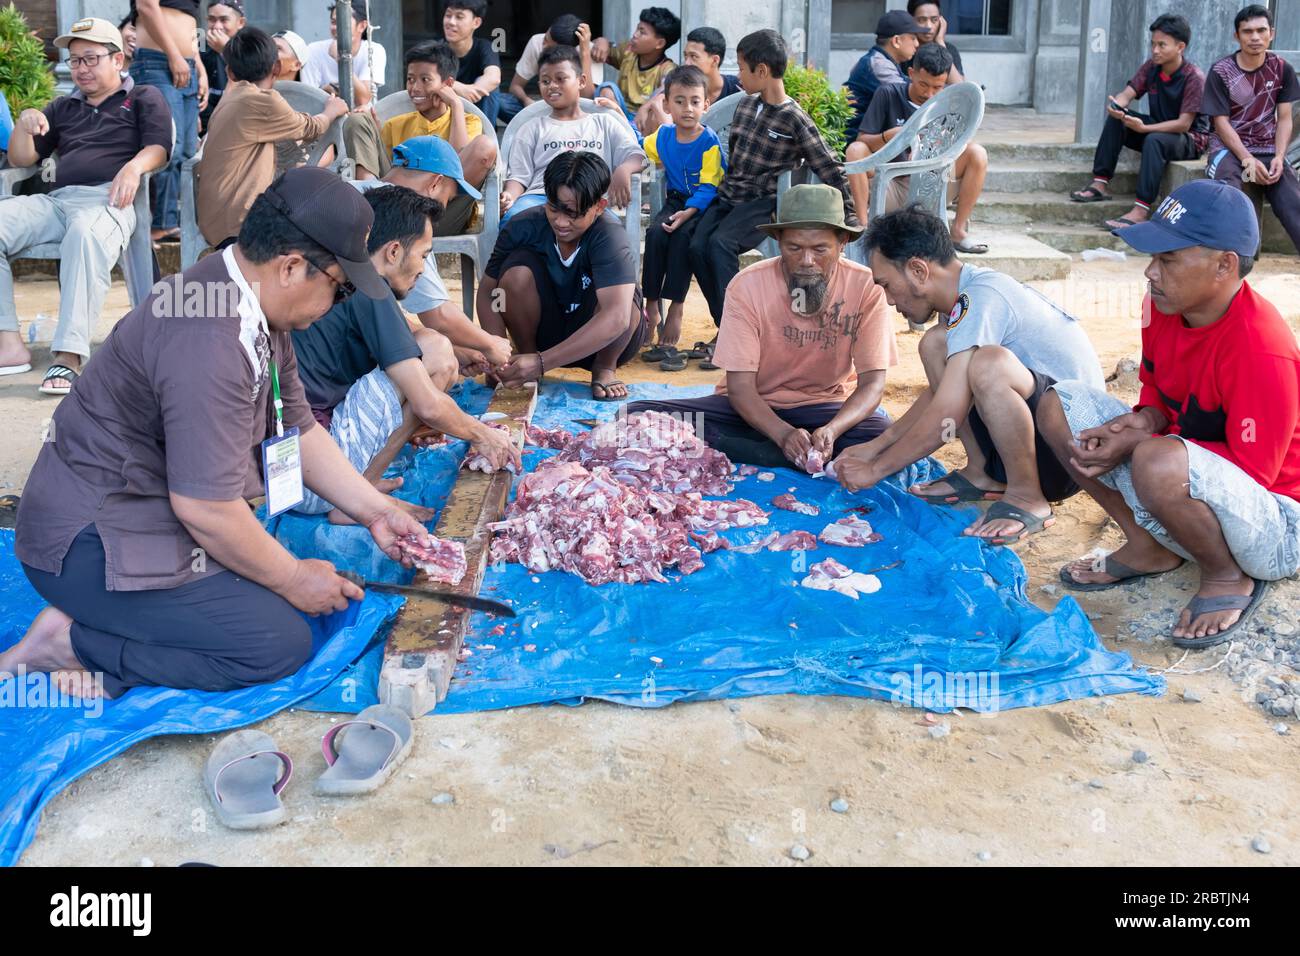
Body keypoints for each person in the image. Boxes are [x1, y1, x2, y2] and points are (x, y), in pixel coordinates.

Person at [3, 166, 433, 699]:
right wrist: (294, 578)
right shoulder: (209, 337)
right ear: (292, 266)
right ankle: (71, 645)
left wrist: (376, 510)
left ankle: (99, 625)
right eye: (340, 290)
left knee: (277, 595)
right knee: (274, 645)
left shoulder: (244, 298)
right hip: (90, 540)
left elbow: (297, 426)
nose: (337, 305)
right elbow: (206, 508)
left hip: (146, 514)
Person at [1042, 179, 1300, 648]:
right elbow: (1160, 392)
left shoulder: (1260, 347)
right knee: (1060, 405)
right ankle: (1148, 547)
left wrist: (1141, 444)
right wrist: (1142, 421)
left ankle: (1226, 578)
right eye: (1153, 258)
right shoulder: (1162, 307)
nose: (1150, 273)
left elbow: (1256, 473)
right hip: (1186, 479)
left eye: (1168, 259)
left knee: (1155, 461)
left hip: (1275, 522)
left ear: (1224, 265)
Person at [834, 206, 1104, 545]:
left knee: (988, 364)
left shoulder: (983, 296)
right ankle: (982, 474)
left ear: (918, 270)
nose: (888, 300)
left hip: (1074, 456)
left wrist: (876, 470)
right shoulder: (963, 303)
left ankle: (1026, 497)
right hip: (1039, 448)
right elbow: (943, 396)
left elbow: (947, 412)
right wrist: (875, 447)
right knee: (935, 343)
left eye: (887, 285)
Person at [292, 185, 520, 522]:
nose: (422, 269)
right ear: (394, 251)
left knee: (438, 349)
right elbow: (428, 401)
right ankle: (358, 496)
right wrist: (483, 434)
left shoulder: (346, 272)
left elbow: (408, 333)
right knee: (436, 354)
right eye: (425, 256)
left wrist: (462, 353)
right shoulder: (371, 287)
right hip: (318, 481)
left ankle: (356, 489)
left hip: (290, 469)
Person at [629, 185, 895, 468]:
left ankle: (753, 450)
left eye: (820, 249)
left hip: (826, 410)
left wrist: (833, 430)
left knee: (883, 437)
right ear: (778, 241)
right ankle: (774, 449)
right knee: (636, 414)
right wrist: (783, 434)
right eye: (794, 248)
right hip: (751, 408)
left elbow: (873, 384)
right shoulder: (747, 286)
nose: (807, 261)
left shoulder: (868, 287)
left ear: (842, 243)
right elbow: (740, 388)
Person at [0, 18, 172, 396]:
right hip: (58, 202)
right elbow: (20, 160)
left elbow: (159, 147)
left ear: (118, 61)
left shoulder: (143, 97)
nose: (81, 68)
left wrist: (133, 166)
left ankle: (69, 353)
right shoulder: (63, 107)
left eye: (91, 59)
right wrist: (24, 126)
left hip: (109, 202)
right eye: (75, 60)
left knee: (83, 234)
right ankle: (8, 342)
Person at [689, 29, 858, 360]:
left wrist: (849, 212)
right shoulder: (745, 105)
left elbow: (827, 165)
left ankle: (736, 337)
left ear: (762, 71)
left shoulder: (794, 118)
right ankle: (728, 327)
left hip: (762, 203)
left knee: (719, 245)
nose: (738, 75)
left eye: (741, 68)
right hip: (729, 197)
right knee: (696, 246)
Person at [478, 150, 645, 401]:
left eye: (573, 213)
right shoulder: (521, 227)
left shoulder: (609, 236)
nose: (561, 222)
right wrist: (496, 351)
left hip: (604, 343)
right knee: (514, 276)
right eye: (554, 208)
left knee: (624, 302)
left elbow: (617, 318)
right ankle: (524, 356)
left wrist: (542, 363)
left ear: (599, 207)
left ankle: (604, 369)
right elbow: (489, 294)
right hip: (545, 334)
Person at [351, 136, 513, 370]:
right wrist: (490, 344)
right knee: (440, 360)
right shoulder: (407, 217)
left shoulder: (353, 189)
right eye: (448, 198)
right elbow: (438, 316)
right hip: (337, 356)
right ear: (436, 183)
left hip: (302, 337)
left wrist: (460, 350)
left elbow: (376, 312)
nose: (444, 208)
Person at [197, 28, 347, 248]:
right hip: (239, 225)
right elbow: (311, 128)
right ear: (276, 67)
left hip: (214, 219)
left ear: (230, 73)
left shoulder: (232, 98)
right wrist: (332, 110)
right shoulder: (263, 100)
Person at [1069, 14, 1209, 231]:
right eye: (1153, 44)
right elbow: (1128, 94)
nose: (1155, 50)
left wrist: (1145, 128)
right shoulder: (1152, 68)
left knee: (1154, 139)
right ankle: (1100, 183)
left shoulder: (1194, 77)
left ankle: (1141, 210)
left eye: (1162, 45)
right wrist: (1117, 106)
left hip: (1189, 139)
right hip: (1160, 128)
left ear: (1180, 46)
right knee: (1119, 120)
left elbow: (1183, 124)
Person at [845, 42, 988, 253]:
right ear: (911, 73)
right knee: (855, 149)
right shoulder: (888, 93)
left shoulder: (950, 104)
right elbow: (863, 140)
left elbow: (960, 144)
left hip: (933, 184)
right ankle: (864, 227)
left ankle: (957, 231)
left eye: (937, 87)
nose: (929, 94)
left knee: (977, 153)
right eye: (923, 85)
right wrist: (892, 136)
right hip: (890, 185)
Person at [347, 39, 497, 238]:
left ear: (448, 84)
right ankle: (370, 199)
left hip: (440, 215)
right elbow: (390, 172)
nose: (415, 88)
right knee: (357, 121)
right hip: (393, 209)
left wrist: (456, 104)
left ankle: (391, 211)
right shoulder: (396, 124)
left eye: (425, 80)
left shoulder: (467, 122)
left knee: (484, 146)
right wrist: (372, 137)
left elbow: (455, 165)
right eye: (410, 79)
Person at [638, 66, 725, 372]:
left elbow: (709, 185)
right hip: (676, 200)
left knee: (683, 239)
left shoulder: (709, 141)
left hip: (703, 206)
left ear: (706, 105)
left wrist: (688, 213)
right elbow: (639, 149)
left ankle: (676, 307)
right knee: (656, 235)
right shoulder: (662, 136)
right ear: (667, 105)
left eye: (694, 101)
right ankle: (651, 307)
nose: (688, 108)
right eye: (680, 101)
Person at [499, 45, 645, 222]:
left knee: (611, 229)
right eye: (545, 81)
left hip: (591, 201)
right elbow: (519, 177)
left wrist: (624, 169)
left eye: (561, 79)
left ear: (581, 81)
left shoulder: (604, 123)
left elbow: (640, 157)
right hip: (540, 198)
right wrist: (510, 196)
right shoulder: (531, 128)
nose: (552, 86)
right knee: (513, 219)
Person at [1203, 5, 1300, 255]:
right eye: (1247, 31)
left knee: (1291, 198)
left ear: (1272, 33)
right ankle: (1233, 258)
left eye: (1261, 30)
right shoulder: (1221, 71)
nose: (1255, 37)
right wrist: (1247, 159)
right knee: (1230, 192)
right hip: (1228, 150)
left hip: (1268, 148)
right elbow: (1220, 123)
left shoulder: (1282, 69)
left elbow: (1285, 118)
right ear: (1237, 36)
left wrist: (1279, 156)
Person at [131, 0, 204, 242]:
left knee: (186, 151)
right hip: (158, 61)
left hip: (186, 64)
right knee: (167, 145)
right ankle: (158, 224)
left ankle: (170, 221)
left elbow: (189, 25)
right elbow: (146, 6)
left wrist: (199, 68)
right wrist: (174, 55)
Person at [637, 26, 743, 135]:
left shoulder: (738, 88)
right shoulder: (680, 86)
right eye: (685, 56)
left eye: (694, 56)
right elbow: (660, 100)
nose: (687, 63)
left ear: (715, 60)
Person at [842, 9, 924, 148]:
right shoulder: (878, 65)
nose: (917, 44)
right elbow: (911, 94)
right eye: (913, 38)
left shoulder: (878, 60)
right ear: (896, 41)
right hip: (859, 143)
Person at [501, 15, 603, 125]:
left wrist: (585, 53)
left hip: (573, 116)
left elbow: (588, 100)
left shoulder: (590, 51)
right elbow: (515, 86)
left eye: (549, 45)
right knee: (500, 101)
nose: (543, 45)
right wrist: (527, 101)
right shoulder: (537, 42)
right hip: (539, 111)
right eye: (545, 38)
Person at [593, 7, 679, 133]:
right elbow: (600, 49)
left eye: (642, 32)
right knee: (607, 88)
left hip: (644, 122)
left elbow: (665, 91)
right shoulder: (628, 52)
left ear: (659, 43)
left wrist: (645, 107)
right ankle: (613, 133)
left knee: (657, 107)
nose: (634, 35)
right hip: (620, 113)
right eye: (637, 28)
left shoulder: (667, 68)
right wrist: (602, 41)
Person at [301, 0, 386, 107]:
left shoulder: (374, 50)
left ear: (362, 26)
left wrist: (340, 58)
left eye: (343, 23)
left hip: (359, 118)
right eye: (333, 22)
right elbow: (307, 100)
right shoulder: (314, 50)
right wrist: (324, 92)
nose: (336, 28)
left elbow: (363, 100)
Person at [439, 0, 502, 127]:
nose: (451, 22)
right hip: (447, 104)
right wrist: (459, 88)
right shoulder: (435, 50)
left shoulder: (484, 47)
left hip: (478, 103)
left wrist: (471, 91)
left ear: (476, 22)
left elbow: (493, 77)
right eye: (448, 15)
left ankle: (485, 138)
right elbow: (427, 80)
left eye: (459, 17)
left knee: (492, 92)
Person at [198, 0, 246, 130]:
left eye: (224, 20)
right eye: (212, 19)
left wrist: (225, 50)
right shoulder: (199, 46)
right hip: (203, 124)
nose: (217, 26)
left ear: (240, 23)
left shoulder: (251, 48)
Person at [907, 1, 964, 83]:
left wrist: (940, 42)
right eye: (922, 20)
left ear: (941, 22)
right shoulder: (904, 48)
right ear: (910, 20)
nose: (929, 26)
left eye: (934, 20)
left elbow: (960, 88)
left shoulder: (949, 49)